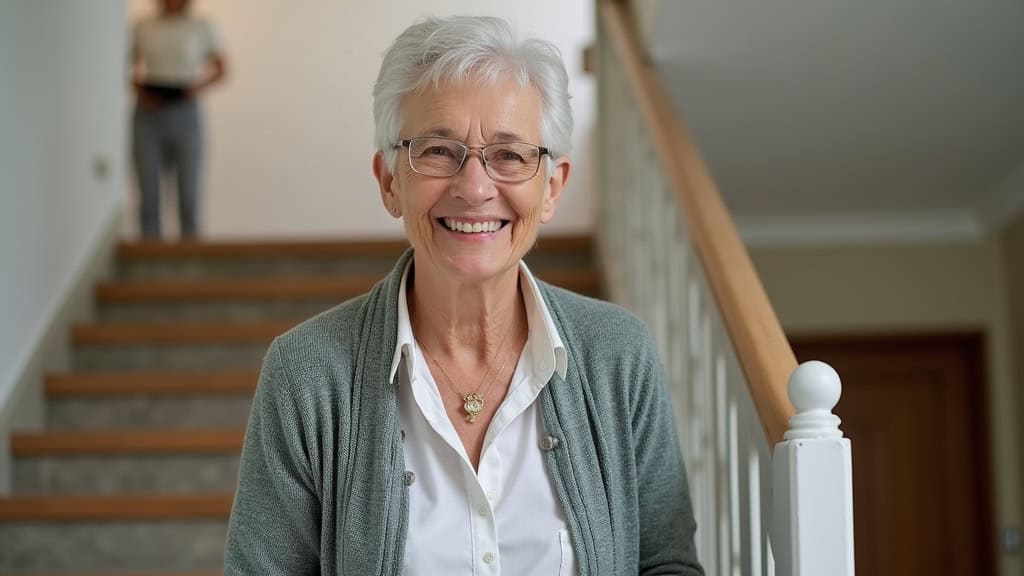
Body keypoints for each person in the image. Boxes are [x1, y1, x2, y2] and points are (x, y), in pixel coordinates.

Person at [224, 15, 703, 575]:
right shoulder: (305, 373)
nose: (474, 188)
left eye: (509, 155)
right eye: (437, 151)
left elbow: (666, 564)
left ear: (552, 187)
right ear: (388, 182)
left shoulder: (618, 354)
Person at [130, 0, 226, 239]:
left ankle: (191, 262)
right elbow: (123, 66)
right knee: (149, 195)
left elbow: (222, 69)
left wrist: (192, 89)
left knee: (189, 195)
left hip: (185, 111)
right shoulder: (143, 27)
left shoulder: (201, 27)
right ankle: (149, 263)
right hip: (148, 114)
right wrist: (141, 90)